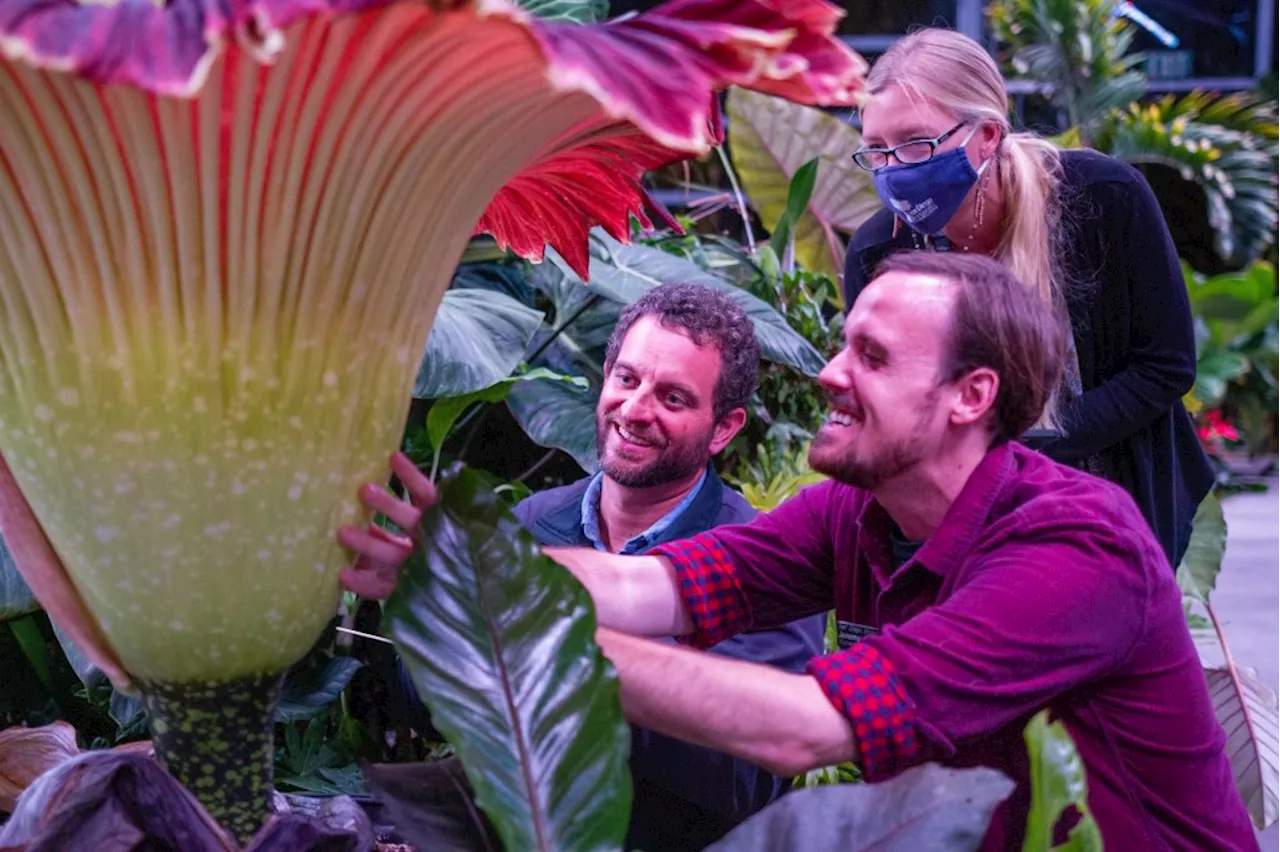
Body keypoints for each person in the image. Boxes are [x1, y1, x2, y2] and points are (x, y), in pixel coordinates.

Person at [341, 253, 1257, 851]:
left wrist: (504, 622)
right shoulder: (850, 516)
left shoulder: (1073, 548)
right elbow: (643, 587)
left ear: (970, 396)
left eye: (872, 356)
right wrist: (465, 568)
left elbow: (804, 727)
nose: (827, 374)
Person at [397, 283, 825, 851]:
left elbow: (738, 776)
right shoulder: (531, 523)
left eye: (673, 398)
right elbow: (420, 695)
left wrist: (535, 651)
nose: (636, 409)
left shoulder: (762, 559)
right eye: (627, 379)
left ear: (723, 428)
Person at [842, 27, 1213, 569]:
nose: (896, 170)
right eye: (877, 151)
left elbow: (1165, 365)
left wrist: (1026, 451)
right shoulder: (879, 251)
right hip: (952, 515)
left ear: (987, 136)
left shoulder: (1102, 199)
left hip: (1115, 496)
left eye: (917, 143)